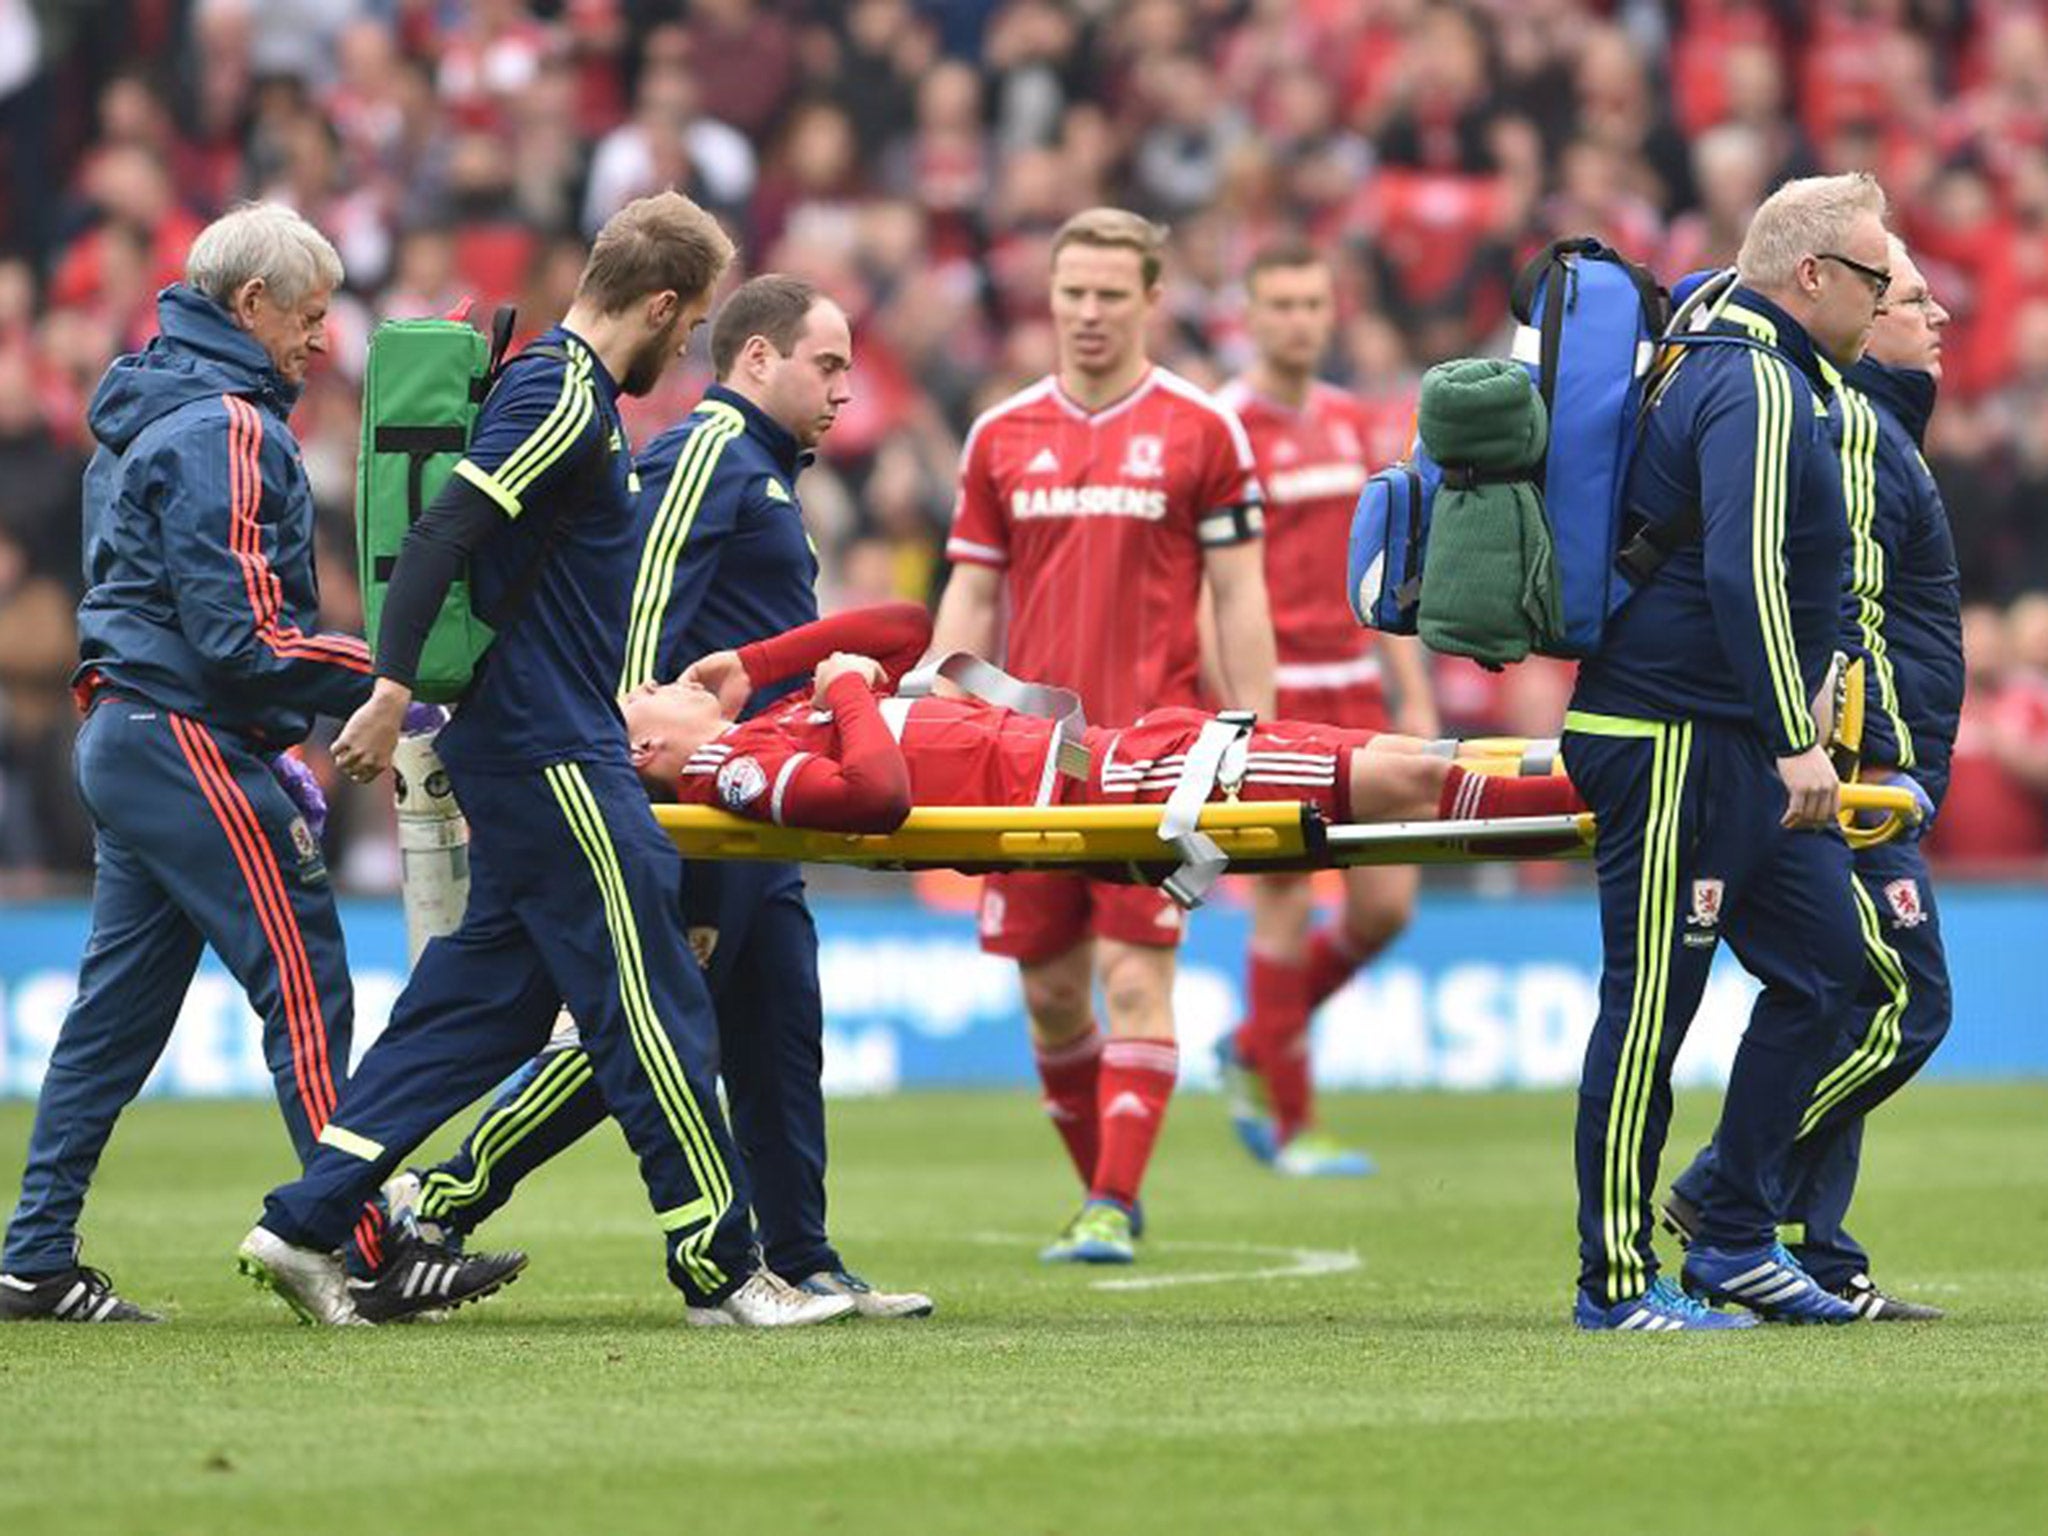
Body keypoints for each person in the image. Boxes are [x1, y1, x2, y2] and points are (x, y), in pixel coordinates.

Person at [239, 194, 853, 1330]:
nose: (688, 348)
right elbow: (442, 536)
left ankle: (304, 1221)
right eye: (691, 322)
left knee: (476, 1011)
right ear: (664, 305)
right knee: (658, 1007)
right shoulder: (561, 395)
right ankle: (723, 1273)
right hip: (557, 757)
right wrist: (387, 690)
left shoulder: (576, 403)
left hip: (529, 753)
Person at [389, 275, 933, 1319]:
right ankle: (438, 1199)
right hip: (701, 807)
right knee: (644, 1037)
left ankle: (803, 1258)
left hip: (763, 805)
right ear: (756, 358)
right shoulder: (701, 455)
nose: (844, 392)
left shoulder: (764, 472)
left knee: (779, 1026)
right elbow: (633, 636)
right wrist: (634, 775)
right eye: (826, 365)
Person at [0, 205, 373, 1324]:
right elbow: (246, 642)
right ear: (251, 305)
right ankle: (357, 1239)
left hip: (123, 731)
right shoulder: (228, 426)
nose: (323, 341)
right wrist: (395, 673)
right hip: (183, 735)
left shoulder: (141, 407)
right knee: (306, 982)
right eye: (309, 317)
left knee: (113, 1021)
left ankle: (32, 1259)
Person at [1562, 173, 1911, 1331]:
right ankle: (1614, 1284)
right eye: (1874, 277)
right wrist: (1791, 740)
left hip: (1729, 738)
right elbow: (1741, 569)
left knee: (1840, 978)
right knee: (1651, 1005)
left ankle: (1730, 1237)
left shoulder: (1752, 365)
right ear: (1809, 277)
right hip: (1676, 735)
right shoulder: (1756, 381)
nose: (1888, 298)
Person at [929, 207, 1278, 1264]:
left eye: (1108, 294)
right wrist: (932, 712)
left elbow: (1238, 596)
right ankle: (1103, 1189)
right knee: (1046, 994)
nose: (1085, 312)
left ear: (1149, 300)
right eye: (1070, 292)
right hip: (1023, 762)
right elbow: (969, 599)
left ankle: (1111, 1206)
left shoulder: (1201, 429)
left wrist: (1251, 736)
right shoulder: (1000, 436)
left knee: (1134, 977)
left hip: (1154, 758)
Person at [1664, 237, 1961, 1320]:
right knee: (1899, 1005)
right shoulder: (1850, 430)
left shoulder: (1881, 432)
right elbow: (1852, 615)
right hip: (1850, 769)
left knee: (1854, 997)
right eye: (1907, 298)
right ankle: (1723, 1189)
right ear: (1850, 309)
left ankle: (1818, 1252)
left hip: (1869, 763)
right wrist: (1875, 752)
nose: (1933, 318)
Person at [626, 602, 1581, 837]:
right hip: (1117, 780)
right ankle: (1619, 798)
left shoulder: (772, 722)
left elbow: (907, 628)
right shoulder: (733, 774)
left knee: (1419, 753)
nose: (672, 678)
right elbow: (878, 794)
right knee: (1413, 783)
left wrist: (759, 663)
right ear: (647, 746)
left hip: (1127, 747)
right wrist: (840, 690)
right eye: (656, 688)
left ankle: (1602, 783)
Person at [1213, 243, 1439, 1179]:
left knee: (1387, 906)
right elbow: (1211, 583)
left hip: (1355, 686)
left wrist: (1413, 692)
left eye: (1313, 302)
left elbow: (1386, 571)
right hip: (1277, 696)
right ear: (1251, 315)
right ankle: (1296, 1128)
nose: (1300, 319)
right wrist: (1236, 711)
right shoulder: (1225, 426)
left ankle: (1251, 1040)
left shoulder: (1354, 422)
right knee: (1283, 901)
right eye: (1282, 304)